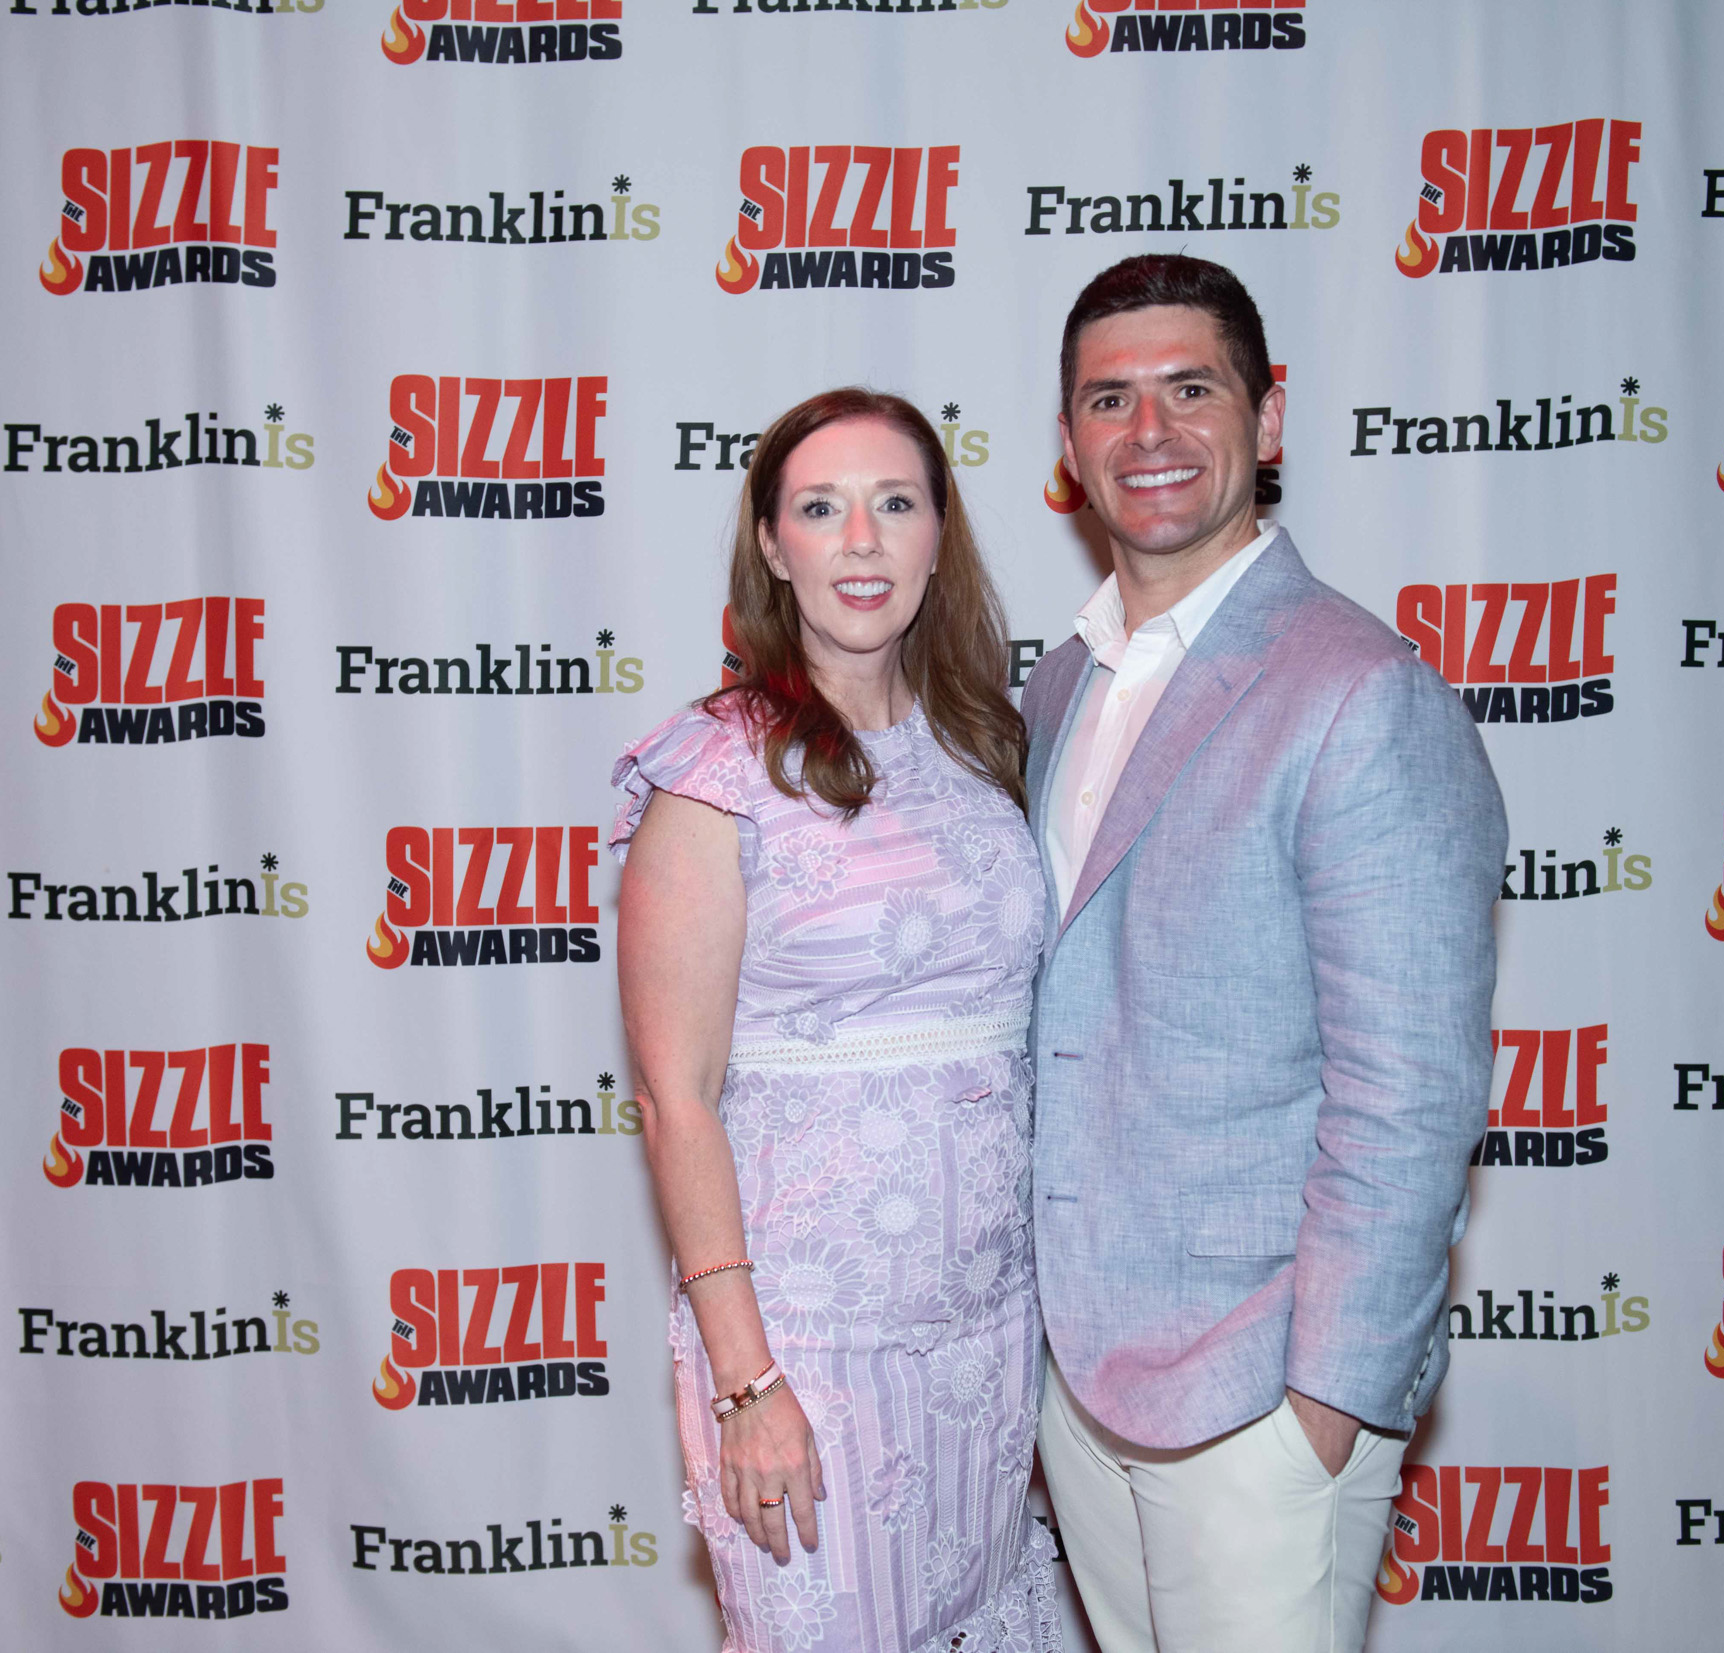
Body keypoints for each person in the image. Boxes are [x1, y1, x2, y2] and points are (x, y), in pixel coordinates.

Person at [1023, 255, 1507, 1652]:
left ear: (1268, 416)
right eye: (1108, 399)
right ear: (1069, 444)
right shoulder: (1062, 679)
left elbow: (1410, 1088)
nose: (1148, 432)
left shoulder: (1358, 692)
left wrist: (1324, 1405)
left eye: (1191, 389)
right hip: (1078, 1380)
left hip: (1258, 1393)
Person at [611, 388, 1061, 1653]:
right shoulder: (713, 773)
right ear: (772, 545)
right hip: (808, 1349)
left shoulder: (985, 747)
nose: (860, 541)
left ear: (937, 535)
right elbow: (676, 1099)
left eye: (893, 504)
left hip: (989, 1334)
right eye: (820, 508)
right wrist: (745, 1383)